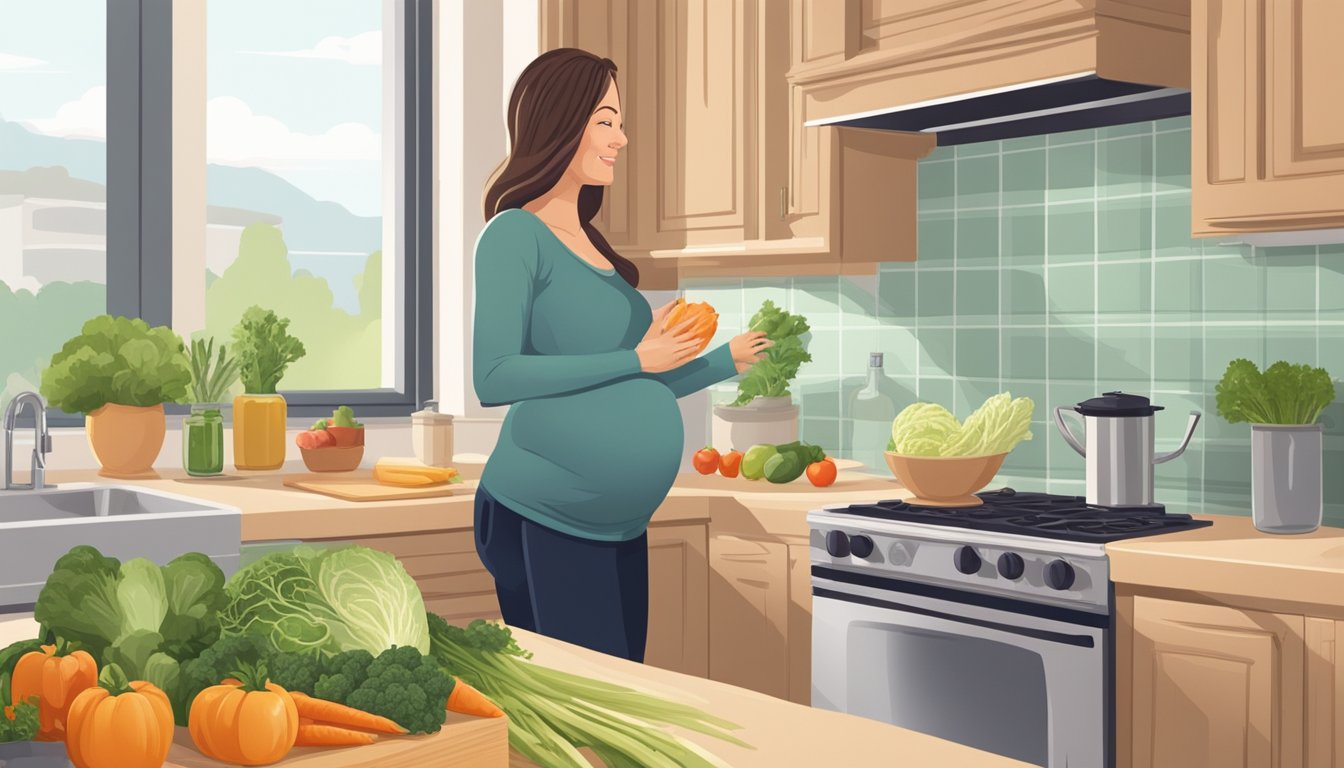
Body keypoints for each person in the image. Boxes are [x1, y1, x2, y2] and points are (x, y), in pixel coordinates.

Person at [470, 48, 772, 662]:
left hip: (617, 523)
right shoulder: (513, 234)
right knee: (589, 716)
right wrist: (637, 359)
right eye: (606, 121)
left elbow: (637, 387)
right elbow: (494, 376)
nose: (622, 139)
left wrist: (722, 361)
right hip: (545, 513)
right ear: (560, 122)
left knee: (624, 693)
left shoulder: (592, 243)